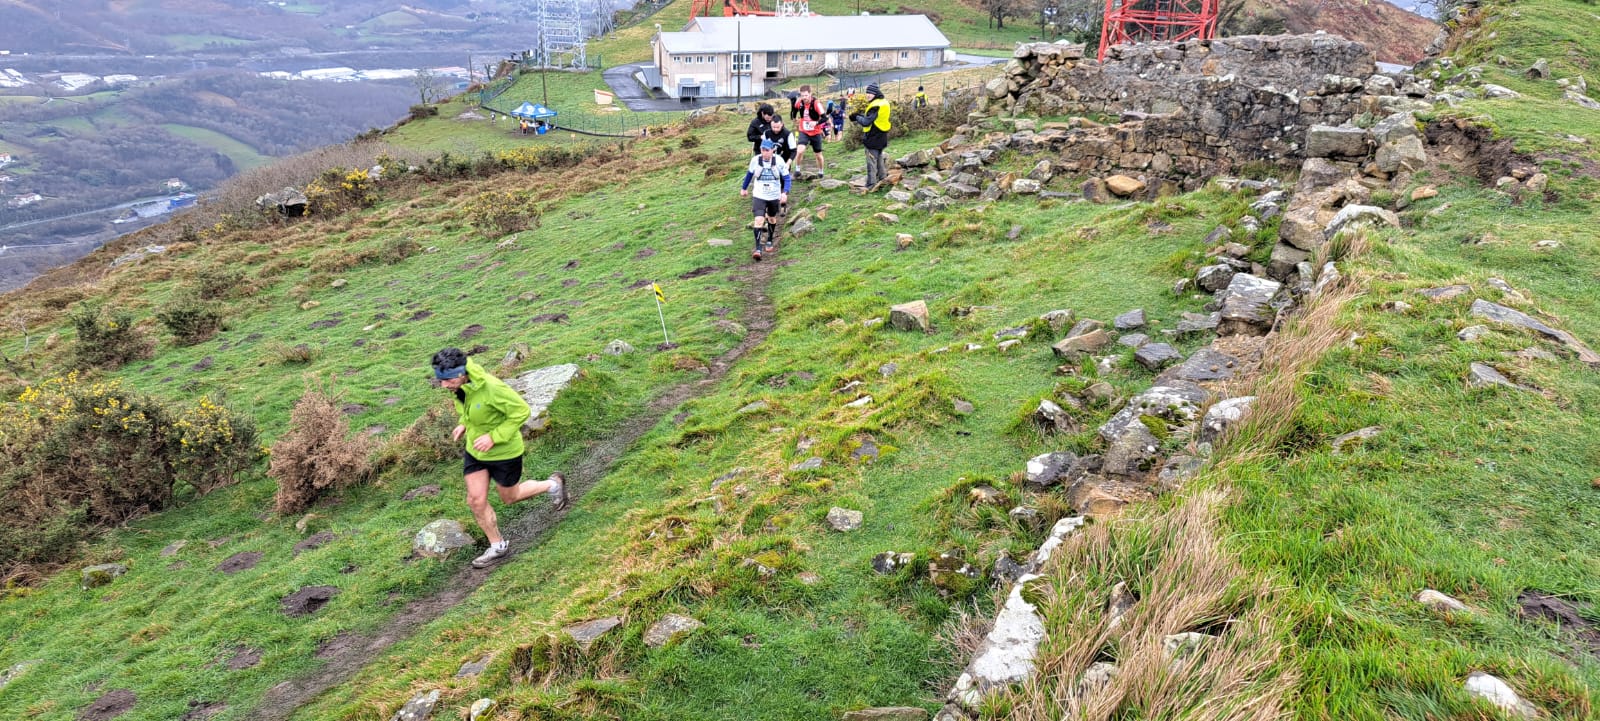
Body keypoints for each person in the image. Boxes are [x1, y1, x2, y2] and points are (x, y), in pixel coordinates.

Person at [431, 347, 568, 569]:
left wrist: (493, 437)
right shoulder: (461, 388)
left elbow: (521, 411)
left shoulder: (492, 388)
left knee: (510, 498)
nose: (443, 385)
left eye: (446, 380)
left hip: (504, 453)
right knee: (475, 500)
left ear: (460, 373)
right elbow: (472, 410)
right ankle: (497, 546)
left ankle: (553, 485)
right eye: (440, 380)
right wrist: (464, 424)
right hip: (476, 452)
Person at [739, 138, 791, 261]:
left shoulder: (779, 161)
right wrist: (744, 188)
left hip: (773, 195)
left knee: (772, 218)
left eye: (767, 150)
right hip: (759, 195)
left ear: (772, 150)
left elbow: (787, 178)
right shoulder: (755, 160)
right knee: (758, 220)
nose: (764, 153)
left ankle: (769, 239)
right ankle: (758, 249)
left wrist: (785, 192)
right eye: (762, 150)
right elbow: (749, 174)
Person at [850, 83, 892, 190]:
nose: (868, 95)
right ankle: (883, 179)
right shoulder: (883, 102)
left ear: (876, 93)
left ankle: (871, 184)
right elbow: (874, 118)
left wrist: (856, 117)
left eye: (871, 93)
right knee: (879, 159)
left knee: (871, 161)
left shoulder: (875, 106)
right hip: (882, 136)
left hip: (873, 137)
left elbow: (866, 122)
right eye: (867, 93)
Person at [790, 84, 828, 176]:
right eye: (802, 95)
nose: (804, 98)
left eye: (806, 95)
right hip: (804, 131)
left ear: (810, 94)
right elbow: (794, 110)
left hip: (816, 132)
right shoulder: (800, 102)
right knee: (800, 150)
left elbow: (825, 118)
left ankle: (820, 172)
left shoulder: (816, 103)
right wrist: (794, 118)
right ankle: (797, 170)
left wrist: (816, 123)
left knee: (818, 155)